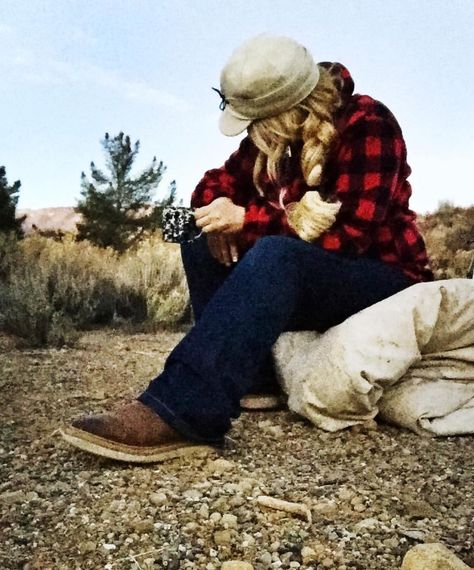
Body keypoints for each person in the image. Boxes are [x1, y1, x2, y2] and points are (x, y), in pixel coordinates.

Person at [61, 34, 433, 462]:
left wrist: (248, 221)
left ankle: (185, 412)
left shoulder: (368, 123)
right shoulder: (275, 137)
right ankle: (255, 381)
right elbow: (215, 181)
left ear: (282, 108)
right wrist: (217, 208)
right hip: (316, 276)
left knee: (277, 255)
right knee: (199, 236)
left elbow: (350, 235)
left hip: (383, 275)